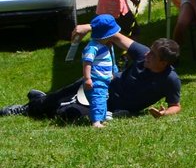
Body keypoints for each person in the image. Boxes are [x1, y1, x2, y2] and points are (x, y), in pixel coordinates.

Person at [1, 29, 181, 122]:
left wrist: (164, 114)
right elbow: (116, 36)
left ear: (164, 63)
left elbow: (175, 105)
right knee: (56, 98)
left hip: (109, 106)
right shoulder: (144, 54)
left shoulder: (170, 80)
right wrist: (89, 27)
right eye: (149, 51)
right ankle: (27, 108)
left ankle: (43, 101)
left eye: (153, 55)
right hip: (99, 85)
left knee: (68, 114)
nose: (147, 55)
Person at [82, 14, 120, 128]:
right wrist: (87, 78)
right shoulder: (92, 47)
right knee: (98, 100)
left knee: (102, 99)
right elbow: (87, 63)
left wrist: (112, 72)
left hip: (103, 81)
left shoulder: (105, 45)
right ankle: (96, 122)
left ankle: (101, 118)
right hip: (95, 81)